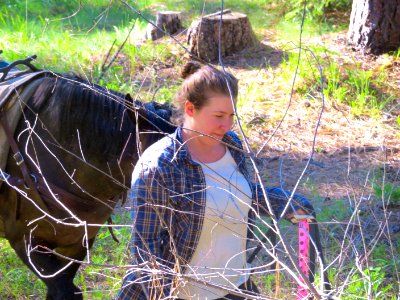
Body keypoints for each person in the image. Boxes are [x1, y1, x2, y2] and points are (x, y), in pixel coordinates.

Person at [118, 61, 314, 299]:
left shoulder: (231, 145)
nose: (227, 125)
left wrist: (286, 202)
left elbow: (234, 194)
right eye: (219, 116)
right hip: (182, 294)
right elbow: (145, 249)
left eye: (232, 115)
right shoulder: (160, 166)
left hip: (236, 288)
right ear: (190, 109)